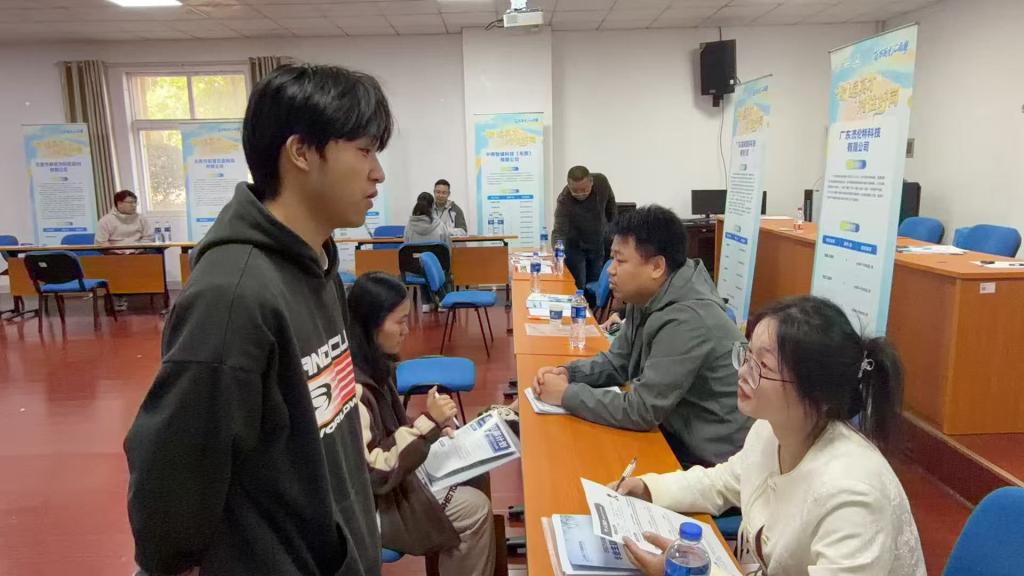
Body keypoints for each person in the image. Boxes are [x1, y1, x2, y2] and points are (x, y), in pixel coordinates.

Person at [124, 64, 392, 576]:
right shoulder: (232, 295)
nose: (377, 172)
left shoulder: (318, 266)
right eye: (363, 151)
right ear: (301, 153)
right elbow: (171, 478)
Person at [615, 296, 926, 576]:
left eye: (762, 366)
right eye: (747, 356)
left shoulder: (854, 495)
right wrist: (648, 488)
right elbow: (724, 481)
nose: (742, 373)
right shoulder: (772, 428)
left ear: (817, 392)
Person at [533, 205, 750, 468]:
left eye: (620, 261)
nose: (610, 270)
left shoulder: (688, 320)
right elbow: (618, 362)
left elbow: (642, 410)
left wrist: (566, 394)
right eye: (612, 258)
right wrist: (568, 373)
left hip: (707, 458)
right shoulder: (646, 296)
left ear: (657, 266)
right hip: (673, 430)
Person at [348, 272, 496, 576]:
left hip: (392, 481)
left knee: (476, 470)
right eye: (400, 322)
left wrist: (433, 430)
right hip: (373, 504)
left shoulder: (375, 364)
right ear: (371, 325)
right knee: (475, 510)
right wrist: (427, 425)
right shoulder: (354, 389)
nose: (407, 330)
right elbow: (374, 474)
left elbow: (390, 436)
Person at [552, 165, 616, 291]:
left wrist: (613, 229)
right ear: (568, 186)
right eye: (575, 191)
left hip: (597, 242)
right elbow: (559, 231)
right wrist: (557, 252)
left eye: (585, 189)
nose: (580, 194)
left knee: (595, 284)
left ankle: (592, 304)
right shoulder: (564, 200)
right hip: (574, 246)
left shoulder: (601, 182)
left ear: (591, 182)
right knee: (578, 284)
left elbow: (611, 204)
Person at [96, 189, 155, 310]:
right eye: (130, 202)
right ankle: (118, 297)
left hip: (138, 252)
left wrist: (139, 248)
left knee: (155, 255)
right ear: (119, 203)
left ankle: (151, 291)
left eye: (135, 202)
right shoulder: (106, 220)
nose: (134, 205)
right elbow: (101, 242)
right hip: (115, 254)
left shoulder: (141, 219)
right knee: (114, 264)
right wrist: (115, 251)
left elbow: (148, 237)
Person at [405, 191, 451, 313]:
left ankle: (426, 303)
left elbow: (406, 246)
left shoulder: (409, 225)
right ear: (432, 206)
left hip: (416, 269)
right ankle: (442, 301)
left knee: (421, 263)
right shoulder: (439, 225)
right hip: (439, 268)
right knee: (438, 265)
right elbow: (447, 249)